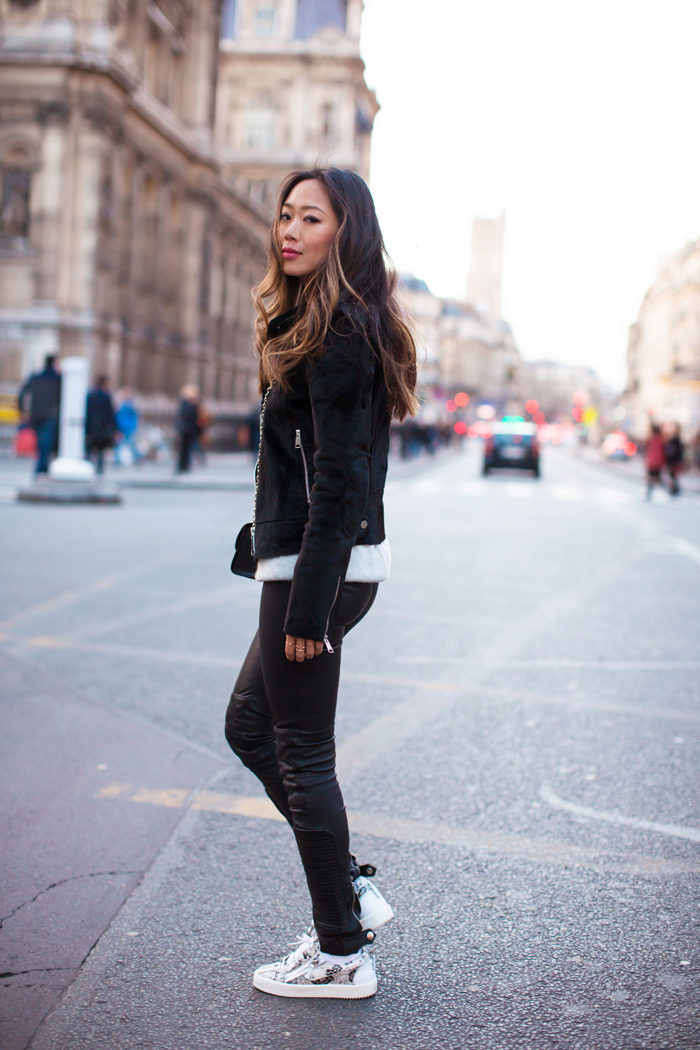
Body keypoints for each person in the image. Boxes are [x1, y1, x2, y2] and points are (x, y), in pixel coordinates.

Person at [224, 168, 417, 999]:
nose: (289, 231)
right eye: (285, 216)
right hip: (307, 561)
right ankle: (349, 894)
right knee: (249, 726)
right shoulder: (315, 320)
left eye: (312, 218)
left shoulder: (341, 329)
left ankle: (341, 950)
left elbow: (340, 480)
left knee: (301, 753)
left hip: (319, 568)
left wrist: (308, 605)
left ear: (348, 232)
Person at [17, 354, 61, 474]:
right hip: (49, 414)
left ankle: (42, 467)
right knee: (45, 443)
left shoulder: (35, 377)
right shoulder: (57, 379)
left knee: (40, 442)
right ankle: (41, 468)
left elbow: (22, 394)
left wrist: (23, 410)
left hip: (35, 414)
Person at [85, 375, 117, 475]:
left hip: (92, 427)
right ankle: (99, 471)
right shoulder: (106, 396)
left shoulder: (91, 395)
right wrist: (114, 428)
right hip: (102, 427)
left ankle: (88, 468)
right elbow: (110, 414)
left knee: (89, 450)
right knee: (100, 451)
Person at [174, 384, 201, 473]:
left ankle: (184, 464)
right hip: (187, 430)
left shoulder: (185, 404)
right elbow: (190, 416)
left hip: (187, 429)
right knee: (185, 448)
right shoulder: (187, 404)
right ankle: (183, 465)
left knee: (186, 448)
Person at [114, 388, 141, 465]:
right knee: (121, 444)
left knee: (129, 444)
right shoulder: (123, 405)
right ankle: (118, 460)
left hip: (128, 428)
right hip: (123, 427)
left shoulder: (129, 405)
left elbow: (134, 417)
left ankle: (136, 457)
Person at [644, 423, 665, 500]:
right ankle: (668, 489)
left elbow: (648, 450)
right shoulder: (661, 439)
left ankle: (649, 492)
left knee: (652, 478)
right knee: (656, 477)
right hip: (658, 462)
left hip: (652, 462)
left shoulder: (652, 439)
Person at [664, 423, 684, 496]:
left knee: (673, 476)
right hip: (672, 461)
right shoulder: (674, 440)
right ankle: (674, 489)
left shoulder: (676, 441)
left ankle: (675, 490)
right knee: (672, 476)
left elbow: (677, 452)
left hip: (674, 462)